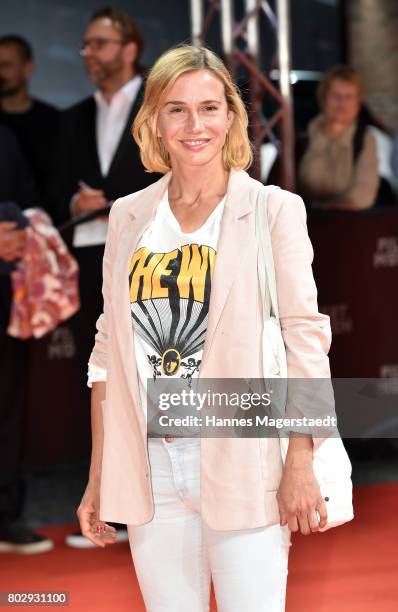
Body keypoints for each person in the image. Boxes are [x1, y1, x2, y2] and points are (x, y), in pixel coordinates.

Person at [77, 45, 333, 611]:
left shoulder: (272, 210)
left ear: (231, 117)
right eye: (177, 109)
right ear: (154, 122)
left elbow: (305, 341)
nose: (196, 125)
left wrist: (300, 461)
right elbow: (107, 356)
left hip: (248, 458)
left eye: (210, 107)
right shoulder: (128, 216)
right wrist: (99, 480)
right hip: (151, 466)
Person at [49, 6, 159, 548]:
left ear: (129, 48)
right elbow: (53, 189)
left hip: (152, 257)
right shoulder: (70, 117)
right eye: (86, 45)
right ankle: (106, 502)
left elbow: (174, 172)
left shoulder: (162, 105)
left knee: (151, 369)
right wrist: (77, 202)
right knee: (100, 379)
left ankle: (156, 497)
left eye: (100, 43)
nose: (89, 53)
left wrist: (115, 203)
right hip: (89, 257)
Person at [0, 125, 53, 554]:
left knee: (6, 403)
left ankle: (5, 515)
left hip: (5, 291)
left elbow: (29, 198)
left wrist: (16, 226)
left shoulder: (5, 137)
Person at [297, 65, 380, 211]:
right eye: (336, 96)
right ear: (324, 98)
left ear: (358, 104)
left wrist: (328, 208)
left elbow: (363, 194)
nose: (342, 103)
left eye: (349, 97)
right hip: (302, 224)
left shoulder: (365, 139)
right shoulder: (304, 135)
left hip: (346, 225)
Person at [0, 35, 60, 208]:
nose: (0, 72)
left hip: (47, 219)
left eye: (7, 65)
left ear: (28, 68)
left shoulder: (53, 121)